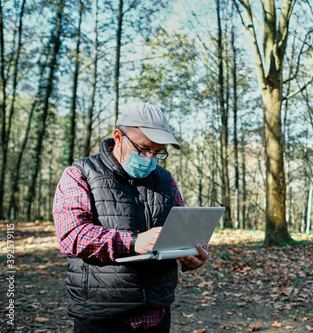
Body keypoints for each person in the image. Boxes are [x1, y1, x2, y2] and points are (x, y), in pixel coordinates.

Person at [52, 102, 207, 332]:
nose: (150, 158)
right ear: (118, 136)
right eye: (143, 149)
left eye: (158, 152)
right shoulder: (81, 174)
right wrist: (134, 242)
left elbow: (180, 228)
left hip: (156, 313)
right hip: (101, 316)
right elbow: (72, 235)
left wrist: (190, 253)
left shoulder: (165, 179)